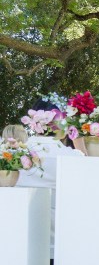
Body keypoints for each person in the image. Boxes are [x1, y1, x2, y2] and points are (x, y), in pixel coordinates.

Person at [15, 101, 84, 252]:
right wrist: (79, 142)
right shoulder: (71, 156)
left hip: (18, 240)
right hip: (58, 244)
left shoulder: (14, 153)